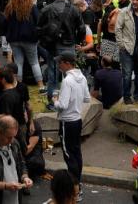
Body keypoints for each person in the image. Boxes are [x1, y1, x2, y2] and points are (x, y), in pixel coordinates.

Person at [55, 51, 90, 187]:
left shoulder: (67, 81)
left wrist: (55, 100)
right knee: (76, 152)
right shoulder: (83, 77)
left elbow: (62, 105)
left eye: (60, 62)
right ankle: (77, 183)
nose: (59, 65)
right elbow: (87, 98)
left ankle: (74, 186)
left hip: (67, 122)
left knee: (68, 155)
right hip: (77, 120)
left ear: (67, 63)